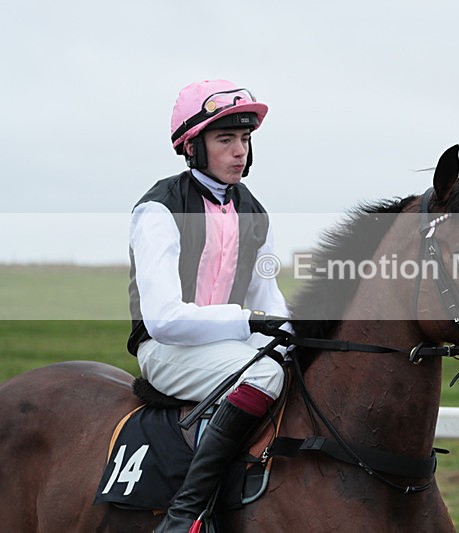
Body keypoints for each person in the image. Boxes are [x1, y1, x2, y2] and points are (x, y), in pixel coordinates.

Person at [127, 79, 290, 532]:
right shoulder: (159, 210)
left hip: (228, 349)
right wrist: (249, 324)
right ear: (192, 147)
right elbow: (163, 320)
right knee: (265, 372)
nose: (239, 151)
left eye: (245, 139)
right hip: (165, 350)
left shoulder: (254, 212)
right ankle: (187, 513)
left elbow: (267, 299)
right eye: (225, 140)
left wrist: (298, 334)